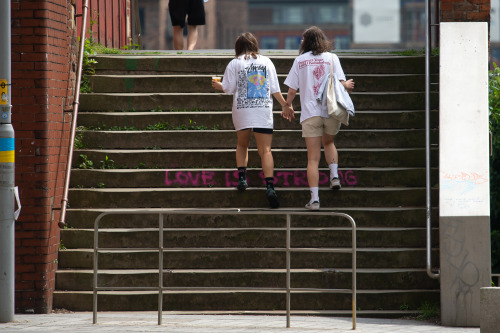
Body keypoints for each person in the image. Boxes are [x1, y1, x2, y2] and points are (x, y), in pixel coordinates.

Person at [212, 32, 293, 209]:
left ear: (238, 47)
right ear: (255, 44)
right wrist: (285, 105)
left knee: (242, 145)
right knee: (265, 150)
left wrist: (219, 86)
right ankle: (270, 187)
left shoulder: (235, 63)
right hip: (262, 110)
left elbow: (228, 88)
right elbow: (274, 89)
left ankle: (242, 178)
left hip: (242, 110)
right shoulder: (267, 62)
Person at [282, 26, 354, 211]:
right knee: (329, 143)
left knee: (313, 159)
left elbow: (291, 90)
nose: (300, 42)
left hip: (310, 113)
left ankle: (314, 200)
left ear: (306, 41)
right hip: (330, 111)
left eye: (302, 39)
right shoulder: (332, 58)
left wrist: (287, 105)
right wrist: (346, 85)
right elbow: (340, 85)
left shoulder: (300, 61)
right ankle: (334, 176)